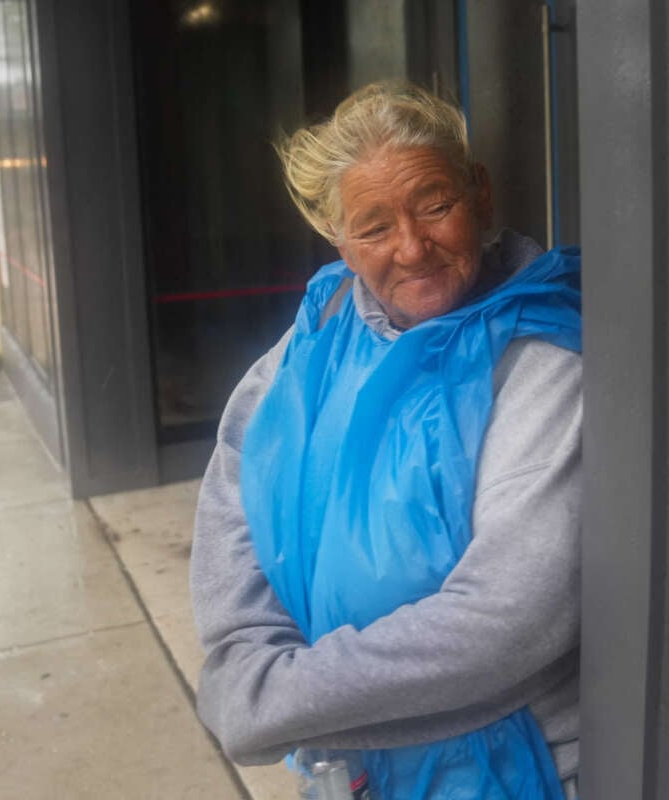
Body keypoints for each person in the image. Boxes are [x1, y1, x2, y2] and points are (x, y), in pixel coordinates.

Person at [190, 82, 582, 799]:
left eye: (435, 205)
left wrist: (275, 700)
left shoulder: (544, 358)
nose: (411, 247)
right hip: (356, 771)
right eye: (372, 226)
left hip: (503, 770)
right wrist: (246, 649)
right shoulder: (331, 316)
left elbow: (513, 617)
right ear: (337, 240)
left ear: (481, 194)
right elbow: (239, 475)